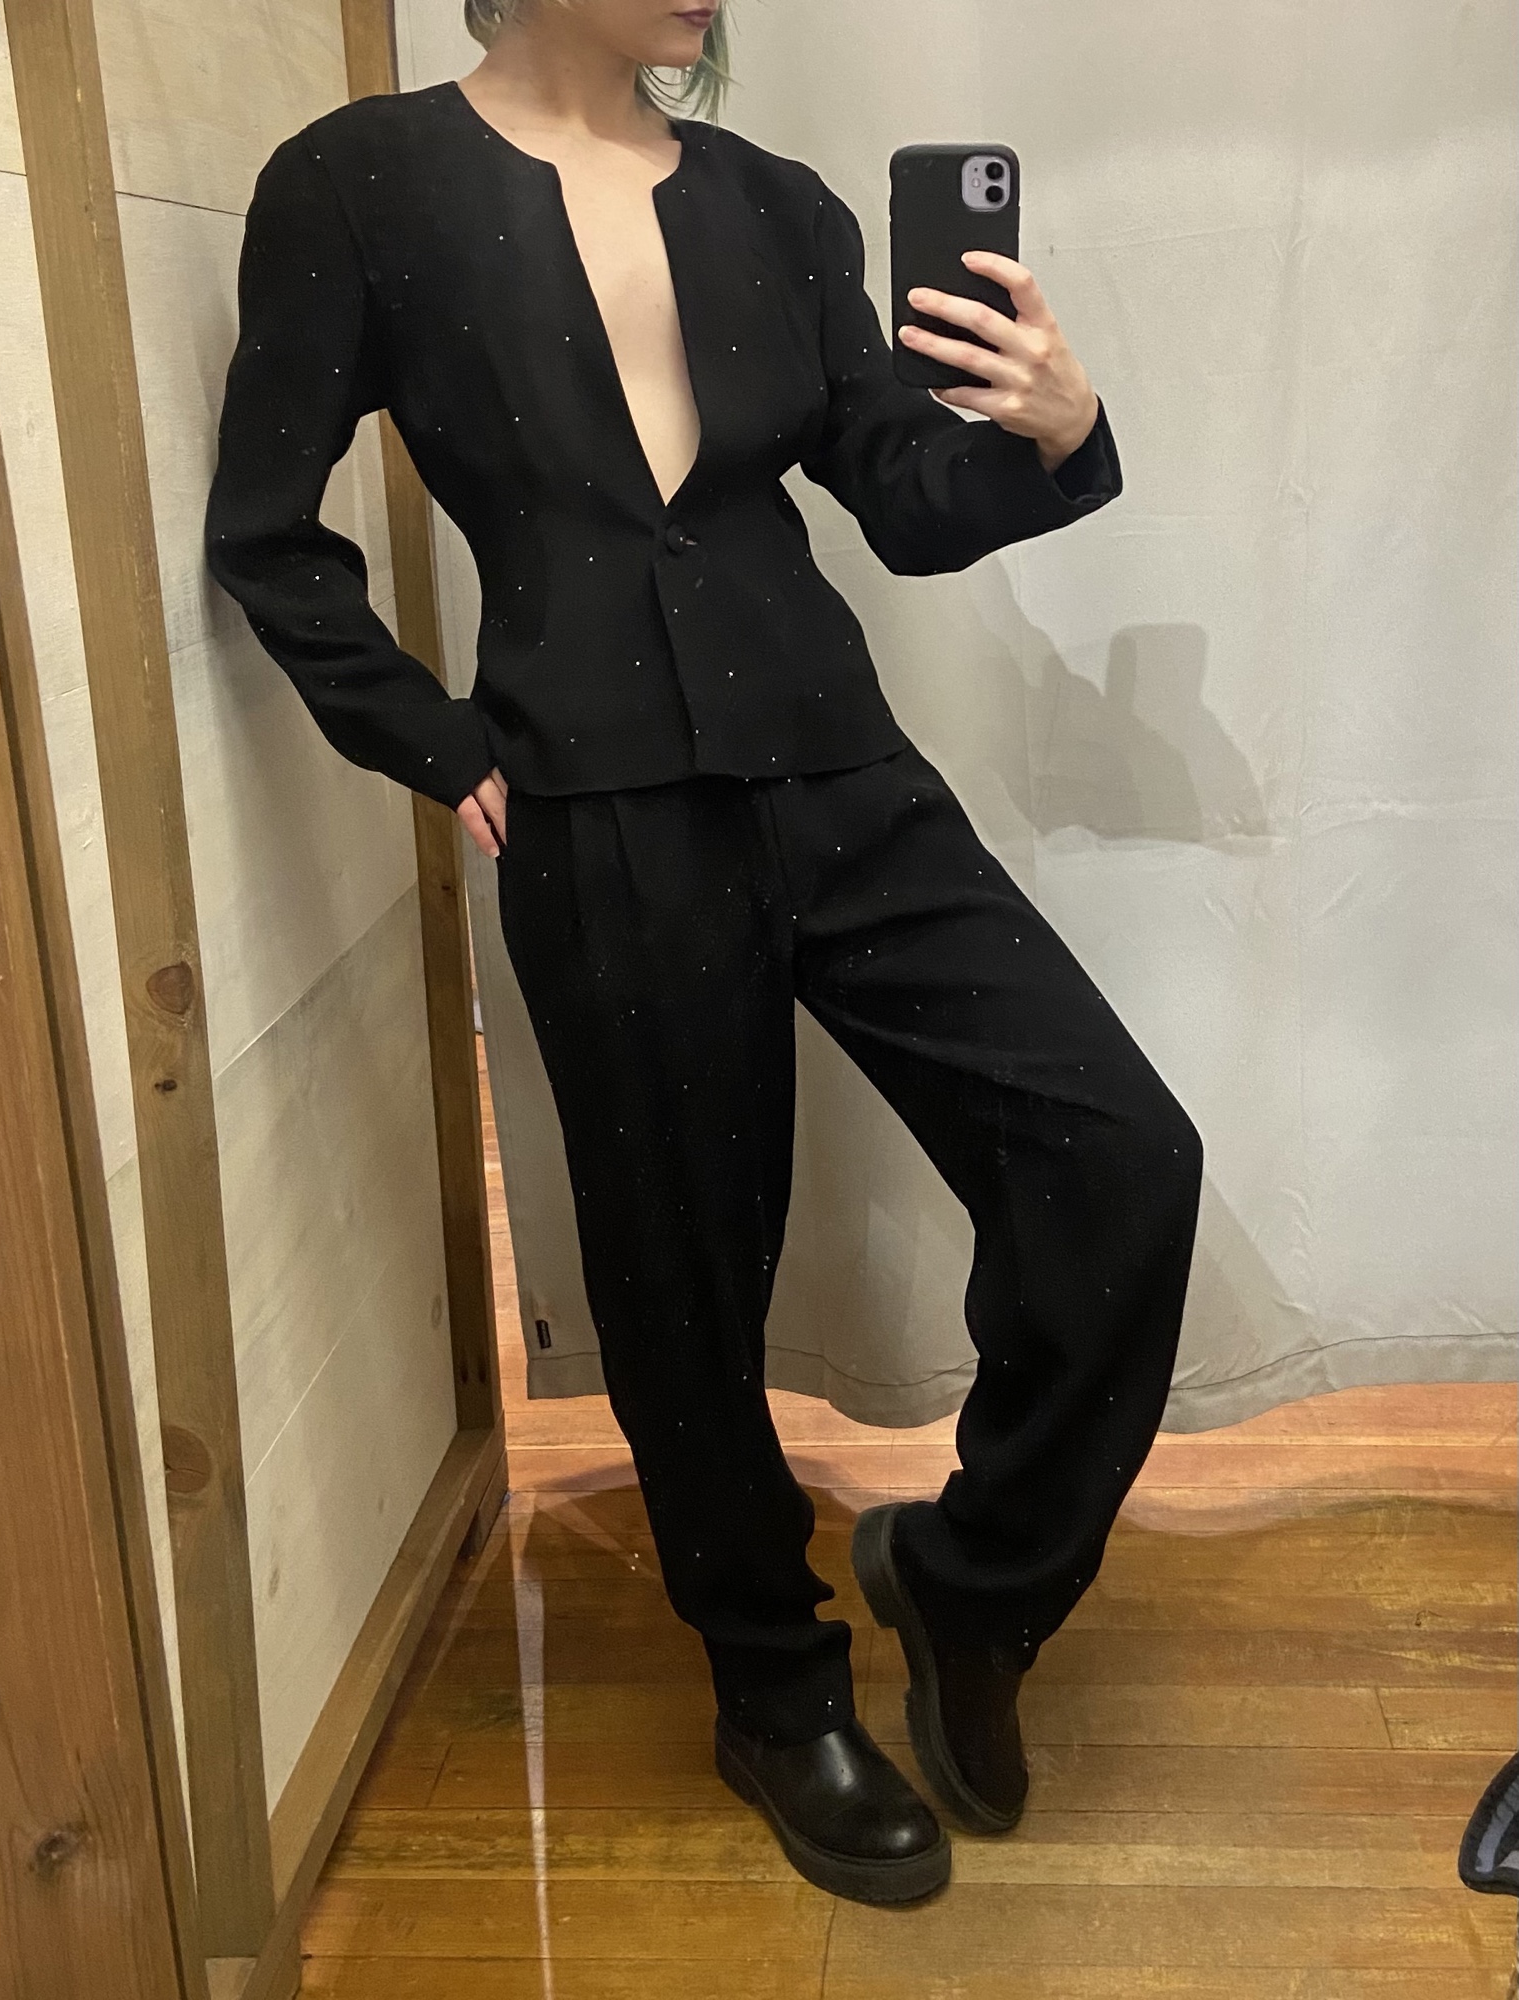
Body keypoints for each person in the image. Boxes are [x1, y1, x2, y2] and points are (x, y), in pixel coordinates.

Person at [204, 0, 1204, 1909]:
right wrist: (433, 738)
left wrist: (1053, 435)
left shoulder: (779, 205)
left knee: (1115, 1156)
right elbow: (268, 532)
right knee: (678, 1276)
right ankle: (772, 1688)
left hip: (840, 772)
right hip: (599, 809)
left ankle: (972, 1580)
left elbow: (898, 500)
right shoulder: (358, 185)